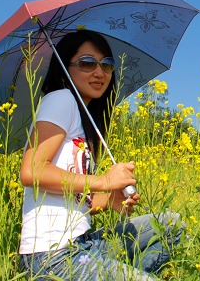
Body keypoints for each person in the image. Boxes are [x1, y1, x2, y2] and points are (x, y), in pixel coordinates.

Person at [18, 30, 183, 280]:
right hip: (52, 257)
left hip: (84, 244)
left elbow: (72, 198)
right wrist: (103, 182)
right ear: (65, 67)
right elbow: (32, 172)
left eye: (107, 64)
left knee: (169, 224)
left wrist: (107, 200)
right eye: (87, 63)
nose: (99, 72)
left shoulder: (84, 121)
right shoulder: (61, 99)